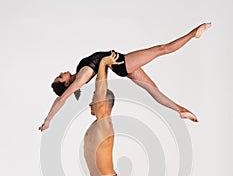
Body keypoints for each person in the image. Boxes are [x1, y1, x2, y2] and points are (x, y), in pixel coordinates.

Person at [38, 23, 211, 132]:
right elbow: (61, 99)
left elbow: (62, 97)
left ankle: (181, 110)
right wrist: (48, 119)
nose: (62, 72)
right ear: (66, 82)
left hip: (122, 66)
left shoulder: (79, 72)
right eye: (61, 76)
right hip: (122, 63)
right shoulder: (81, 77)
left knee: (153, 89)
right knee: (162, 49)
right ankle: (194, 34)